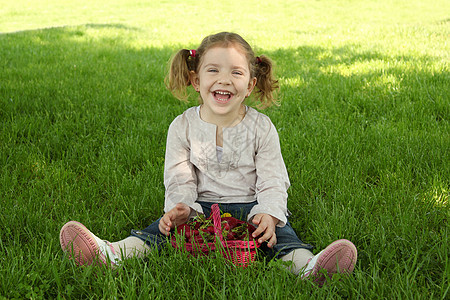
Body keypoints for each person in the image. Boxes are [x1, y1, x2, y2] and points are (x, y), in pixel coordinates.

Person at [60, 32, 357, 286]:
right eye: (213, 70)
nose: (224, 80)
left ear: (251, 84)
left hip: (253, 208)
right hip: (200, 209)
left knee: (281, 238)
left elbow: (273, 178)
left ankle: (309, 268)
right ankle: (111, 254)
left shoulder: (261, 127)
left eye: (236, 73)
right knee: (159, 232)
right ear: (195, 79)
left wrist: (268, 211)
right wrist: (181, 209)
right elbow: (179, 176)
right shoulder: (182, 126)